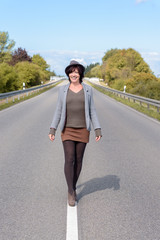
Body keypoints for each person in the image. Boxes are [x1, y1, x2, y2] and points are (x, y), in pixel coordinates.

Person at [48, 60, 102, 207]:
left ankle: (72, 185)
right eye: (71, 72)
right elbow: (58, 110)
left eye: (76, 72)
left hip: (83, 129)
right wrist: (53, 128)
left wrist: (97, 128)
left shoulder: (88, 90)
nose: (74, 74)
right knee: (69, 159)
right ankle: (71, 191)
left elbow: (92, 111)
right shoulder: (63, 90)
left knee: (78, 160)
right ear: (68, 74)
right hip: (67, 129)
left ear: (80, 74)